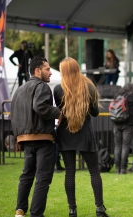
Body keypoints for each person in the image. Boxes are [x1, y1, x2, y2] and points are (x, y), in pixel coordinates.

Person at [53, 57, 109, 217]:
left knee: (69, 172)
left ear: (64, 71)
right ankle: (99, 209)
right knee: (94, 171)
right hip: (85, 133)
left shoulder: (58, 89)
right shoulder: (89, 87)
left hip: (65, 134)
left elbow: (58, 113)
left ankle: (72, 210)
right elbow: (95, 113)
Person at [11, 56, 61, 217]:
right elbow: (40, 107)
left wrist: (18, 136)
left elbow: (14, 115)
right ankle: (36, 214)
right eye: (47, 69)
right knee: (43, 178)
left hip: (25, 139)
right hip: (43, 138)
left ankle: (20, 210)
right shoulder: (43, 87)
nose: (51, 72)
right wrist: (59, 112)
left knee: (27, 175)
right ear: (38, 71)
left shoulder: (19, 90)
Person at [111, 83, 133, 174]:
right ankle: (123, 169)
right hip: (128, 123)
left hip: (116, 123)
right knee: (125, 146)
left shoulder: (117, 95)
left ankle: (117, 169)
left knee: (117, 146)